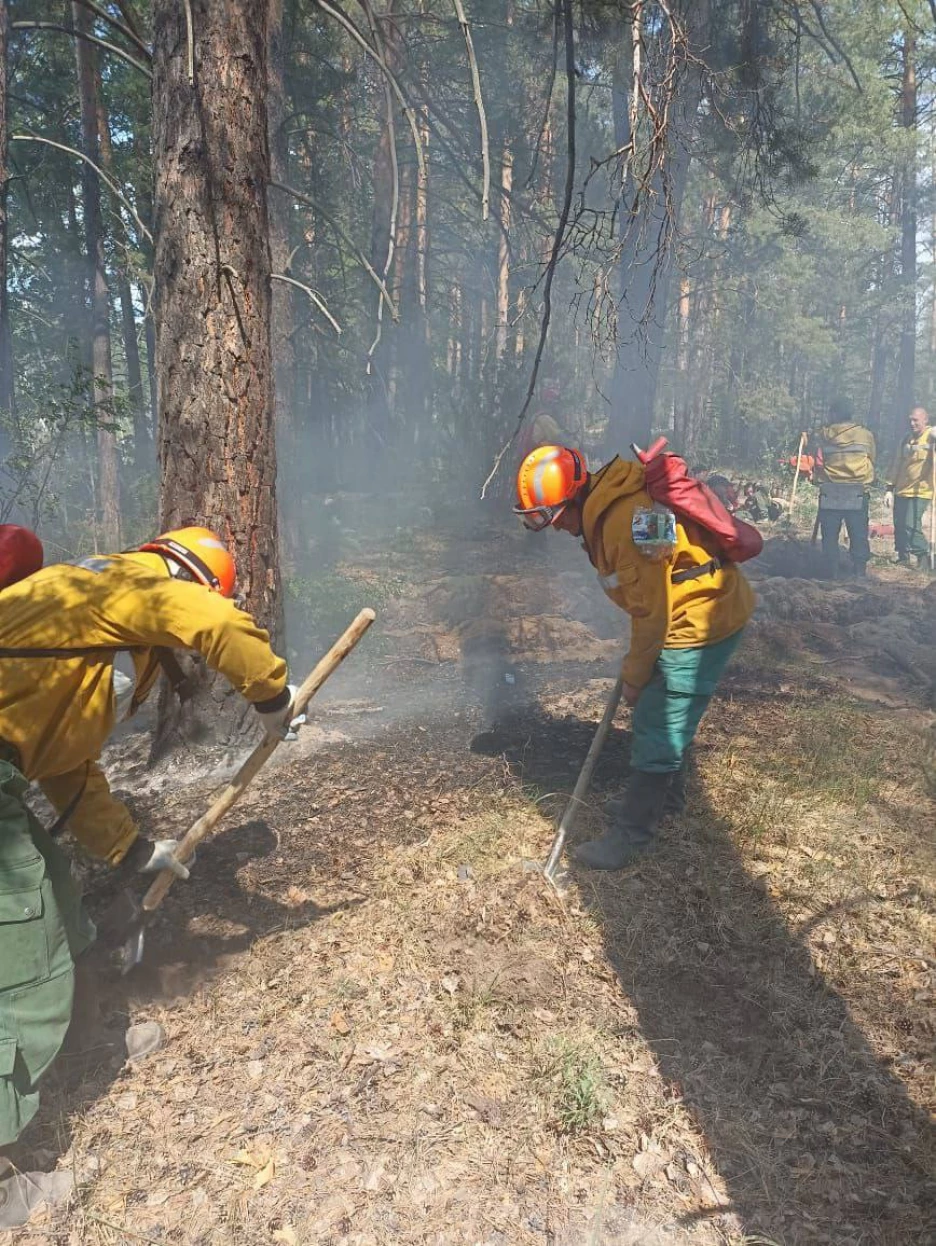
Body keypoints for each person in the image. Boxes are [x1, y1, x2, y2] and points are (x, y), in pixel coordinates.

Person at [0, 527, 299, 1149]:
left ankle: (86, 1046)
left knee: (59, 908)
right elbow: (217, 623)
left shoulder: (91, 612)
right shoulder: (124, 583)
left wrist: (132, 849)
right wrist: (272, 696)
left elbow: (65, 763)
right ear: (186, 576)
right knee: (22, 954)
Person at [514, 445, 754, 870]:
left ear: (573, 498)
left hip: (700, 621)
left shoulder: (634, 520)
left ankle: (631, 833)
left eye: (554, 518)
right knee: (661, 714)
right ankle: (668, 800)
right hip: (683, 614)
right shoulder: (610, 506)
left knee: (656, 721)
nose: (555, 529)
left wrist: (635, 675)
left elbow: (655, 610)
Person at [806, 399, 876, 578]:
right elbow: (872, 459)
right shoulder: (865, 435)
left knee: (829, 534)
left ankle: (832, 572)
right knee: (858, 532)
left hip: (831, 490)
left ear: (835, 414)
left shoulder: (825, 435)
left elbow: (818, 462)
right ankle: (859, 571)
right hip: (857, 491)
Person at [886, 406, 935, 567]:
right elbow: (896, 464)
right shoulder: (905, 439)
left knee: (910, 524)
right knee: (899, 525)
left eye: (916, 420)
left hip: (921, 491)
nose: (912, 423)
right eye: (910, 420)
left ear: (925, 420)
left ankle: (924, 557)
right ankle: (902, 555)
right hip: (902, 490)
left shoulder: (931, 437)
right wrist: (889, 488)